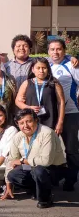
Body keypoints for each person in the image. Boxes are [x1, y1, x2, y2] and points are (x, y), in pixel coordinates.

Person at [1, 109, 67, 208]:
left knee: (39, 170)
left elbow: (46, 161)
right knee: (12, 175)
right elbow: (11, 160)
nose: (25, 126)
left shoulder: (47, 133)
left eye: (29, 121)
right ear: (17, 124)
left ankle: (45, 198)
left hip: (53, 168)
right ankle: (37, 189)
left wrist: (22, 161)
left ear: (36, 120)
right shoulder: (18, 137)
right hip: (31, 167)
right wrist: (8, 185)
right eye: (21, 123)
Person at [45, 39, 79, 191]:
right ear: (48, 52)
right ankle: (53, 179)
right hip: (50, 115)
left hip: (71, 113)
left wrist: (71, 57)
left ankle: (70, 181)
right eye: (52, 49)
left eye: (59, 49)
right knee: (50, 148)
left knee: (71, 149)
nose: (55, 52)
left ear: (64, 51)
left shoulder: (72, 65)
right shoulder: (46, 66)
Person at [15, 58, 65, 132]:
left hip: (50, 122)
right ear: (33, 69)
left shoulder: (54, 83)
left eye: (44, 68)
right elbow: (17, 101)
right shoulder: (26, 83)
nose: (41, 71)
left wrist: (60, 122)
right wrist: (28, 107)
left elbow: (61, 102)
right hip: (30, 122)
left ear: (48, 69)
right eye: (38, 68)